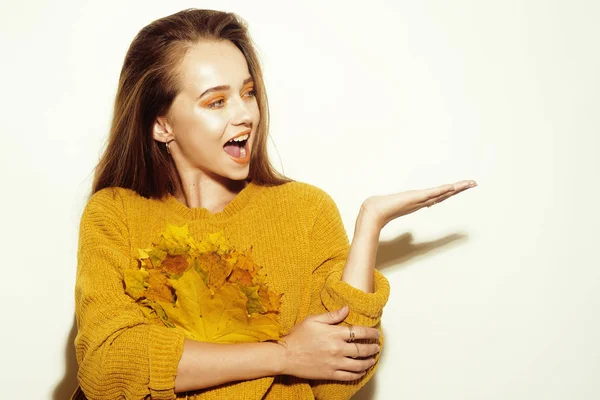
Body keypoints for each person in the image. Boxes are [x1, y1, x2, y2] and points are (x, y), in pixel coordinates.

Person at [72, 8, 477, 400]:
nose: (245, 114)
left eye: (248, 93)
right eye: (216, 101)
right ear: (161, 125)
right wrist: (285, 353)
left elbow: (336, 383)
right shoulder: (115, 214)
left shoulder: (305, 211)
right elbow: (107, 366)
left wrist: (369, 226)